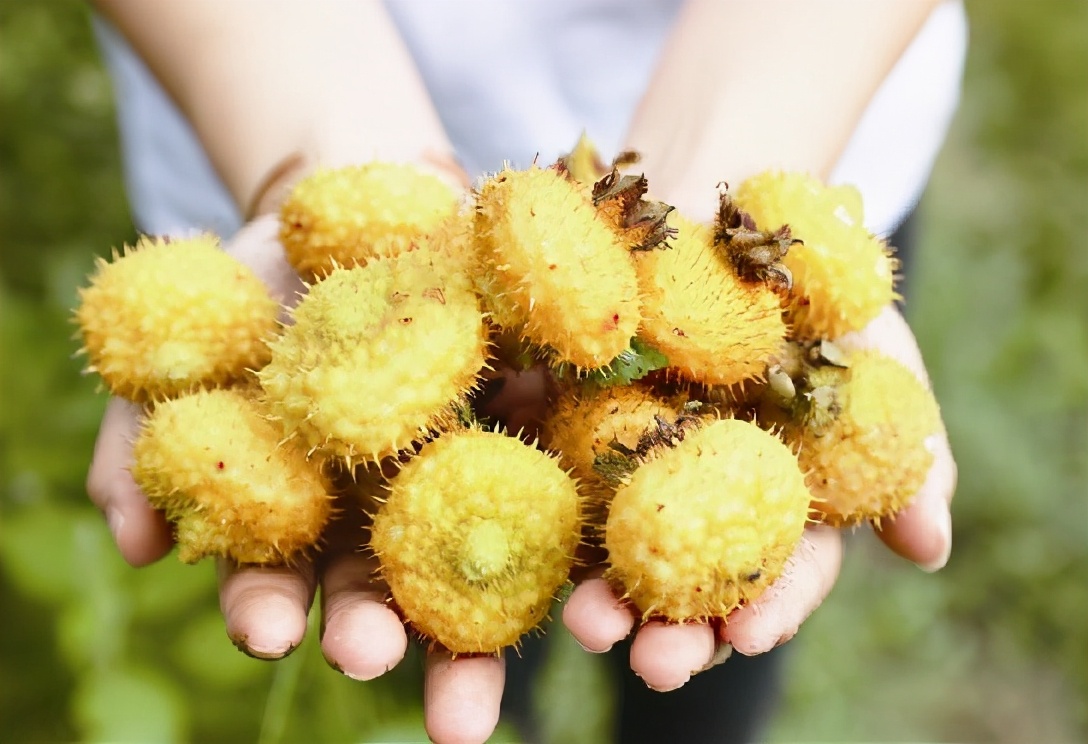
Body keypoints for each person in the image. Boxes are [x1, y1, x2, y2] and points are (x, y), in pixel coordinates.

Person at [86, 1, 964, 742]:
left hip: (798, 105)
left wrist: (725, 163)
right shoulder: (392, 308)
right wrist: (297, 152)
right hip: (264, 83)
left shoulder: (748, 302)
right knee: (444, 643)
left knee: (703, 660)